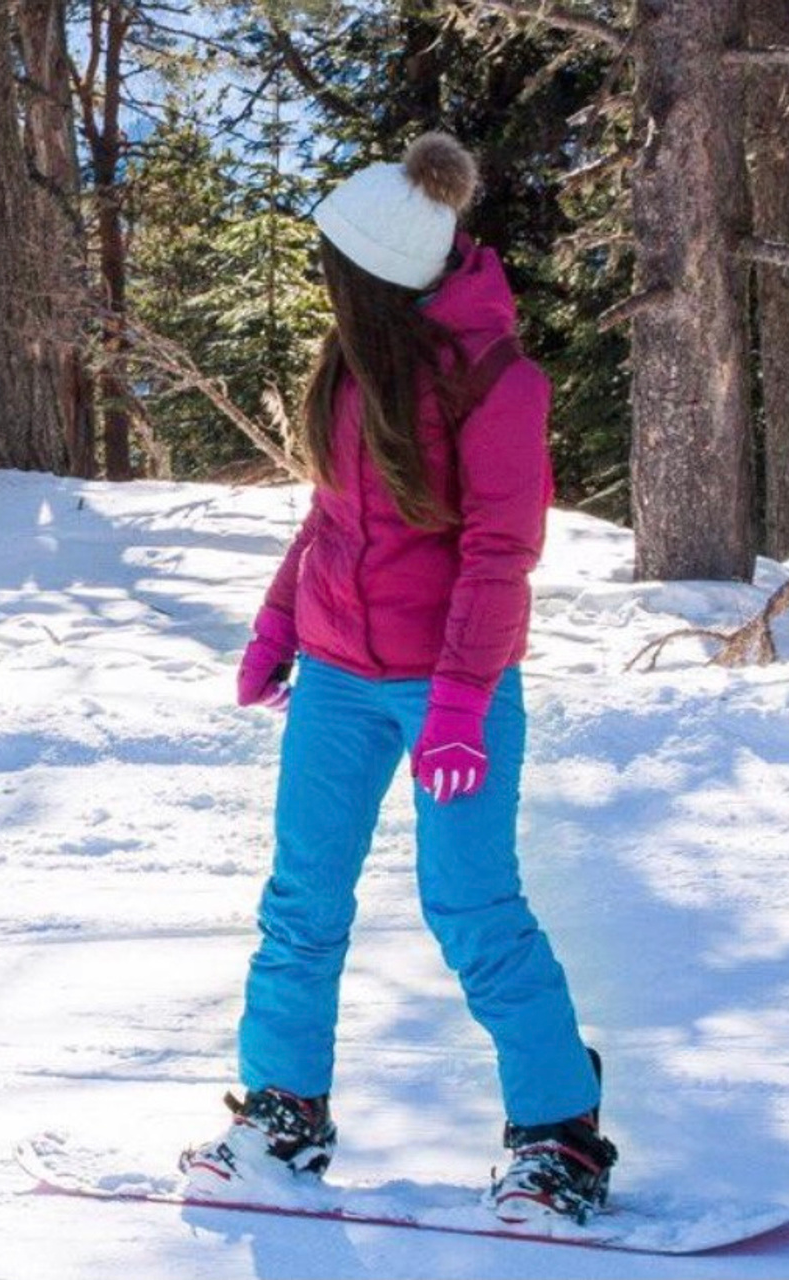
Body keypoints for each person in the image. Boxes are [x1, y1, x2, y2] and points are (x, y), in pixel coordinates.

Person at [179, 132, 618, 1225]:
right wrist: (277, 625)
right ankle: (282, 1114)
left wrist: (461, 706)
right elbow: (329, 514)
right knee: (299, 901)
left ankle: (558, 1133)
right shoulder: (351, 363)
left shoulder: (496, 380)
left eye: (334, 267)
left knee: (470, 905)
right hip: (334, 674)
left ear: (372, 276)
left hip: (447, 684)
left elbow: (497, 552)